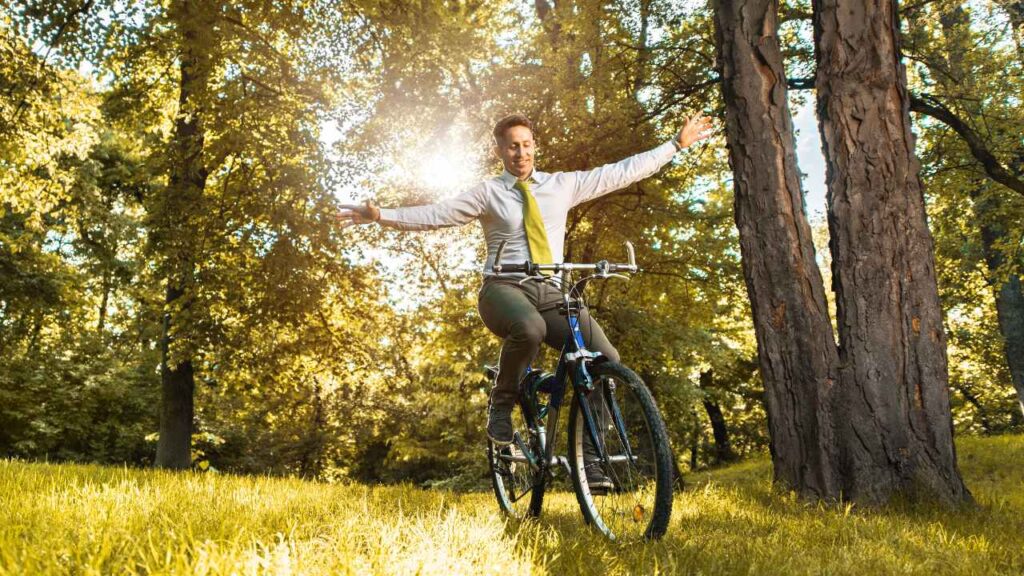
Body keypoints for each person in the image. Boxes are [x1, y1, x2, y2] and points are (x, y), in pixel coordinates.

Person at [338, 114, 715, 483]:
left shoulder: (561, 185)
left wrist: (675, 145)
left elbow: (619, 172)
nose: (521, 153)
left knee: (606, 359)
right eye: (513, 147)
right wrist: (380, 215)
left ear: (535, 147)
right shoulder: (488, 193)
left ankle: (592, 459)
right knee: (529, 328)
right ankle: (501, 405)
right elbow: (437, 214)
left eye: (527, 145)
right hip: (503, 288)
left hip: (549, 290)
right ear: (500, 151)